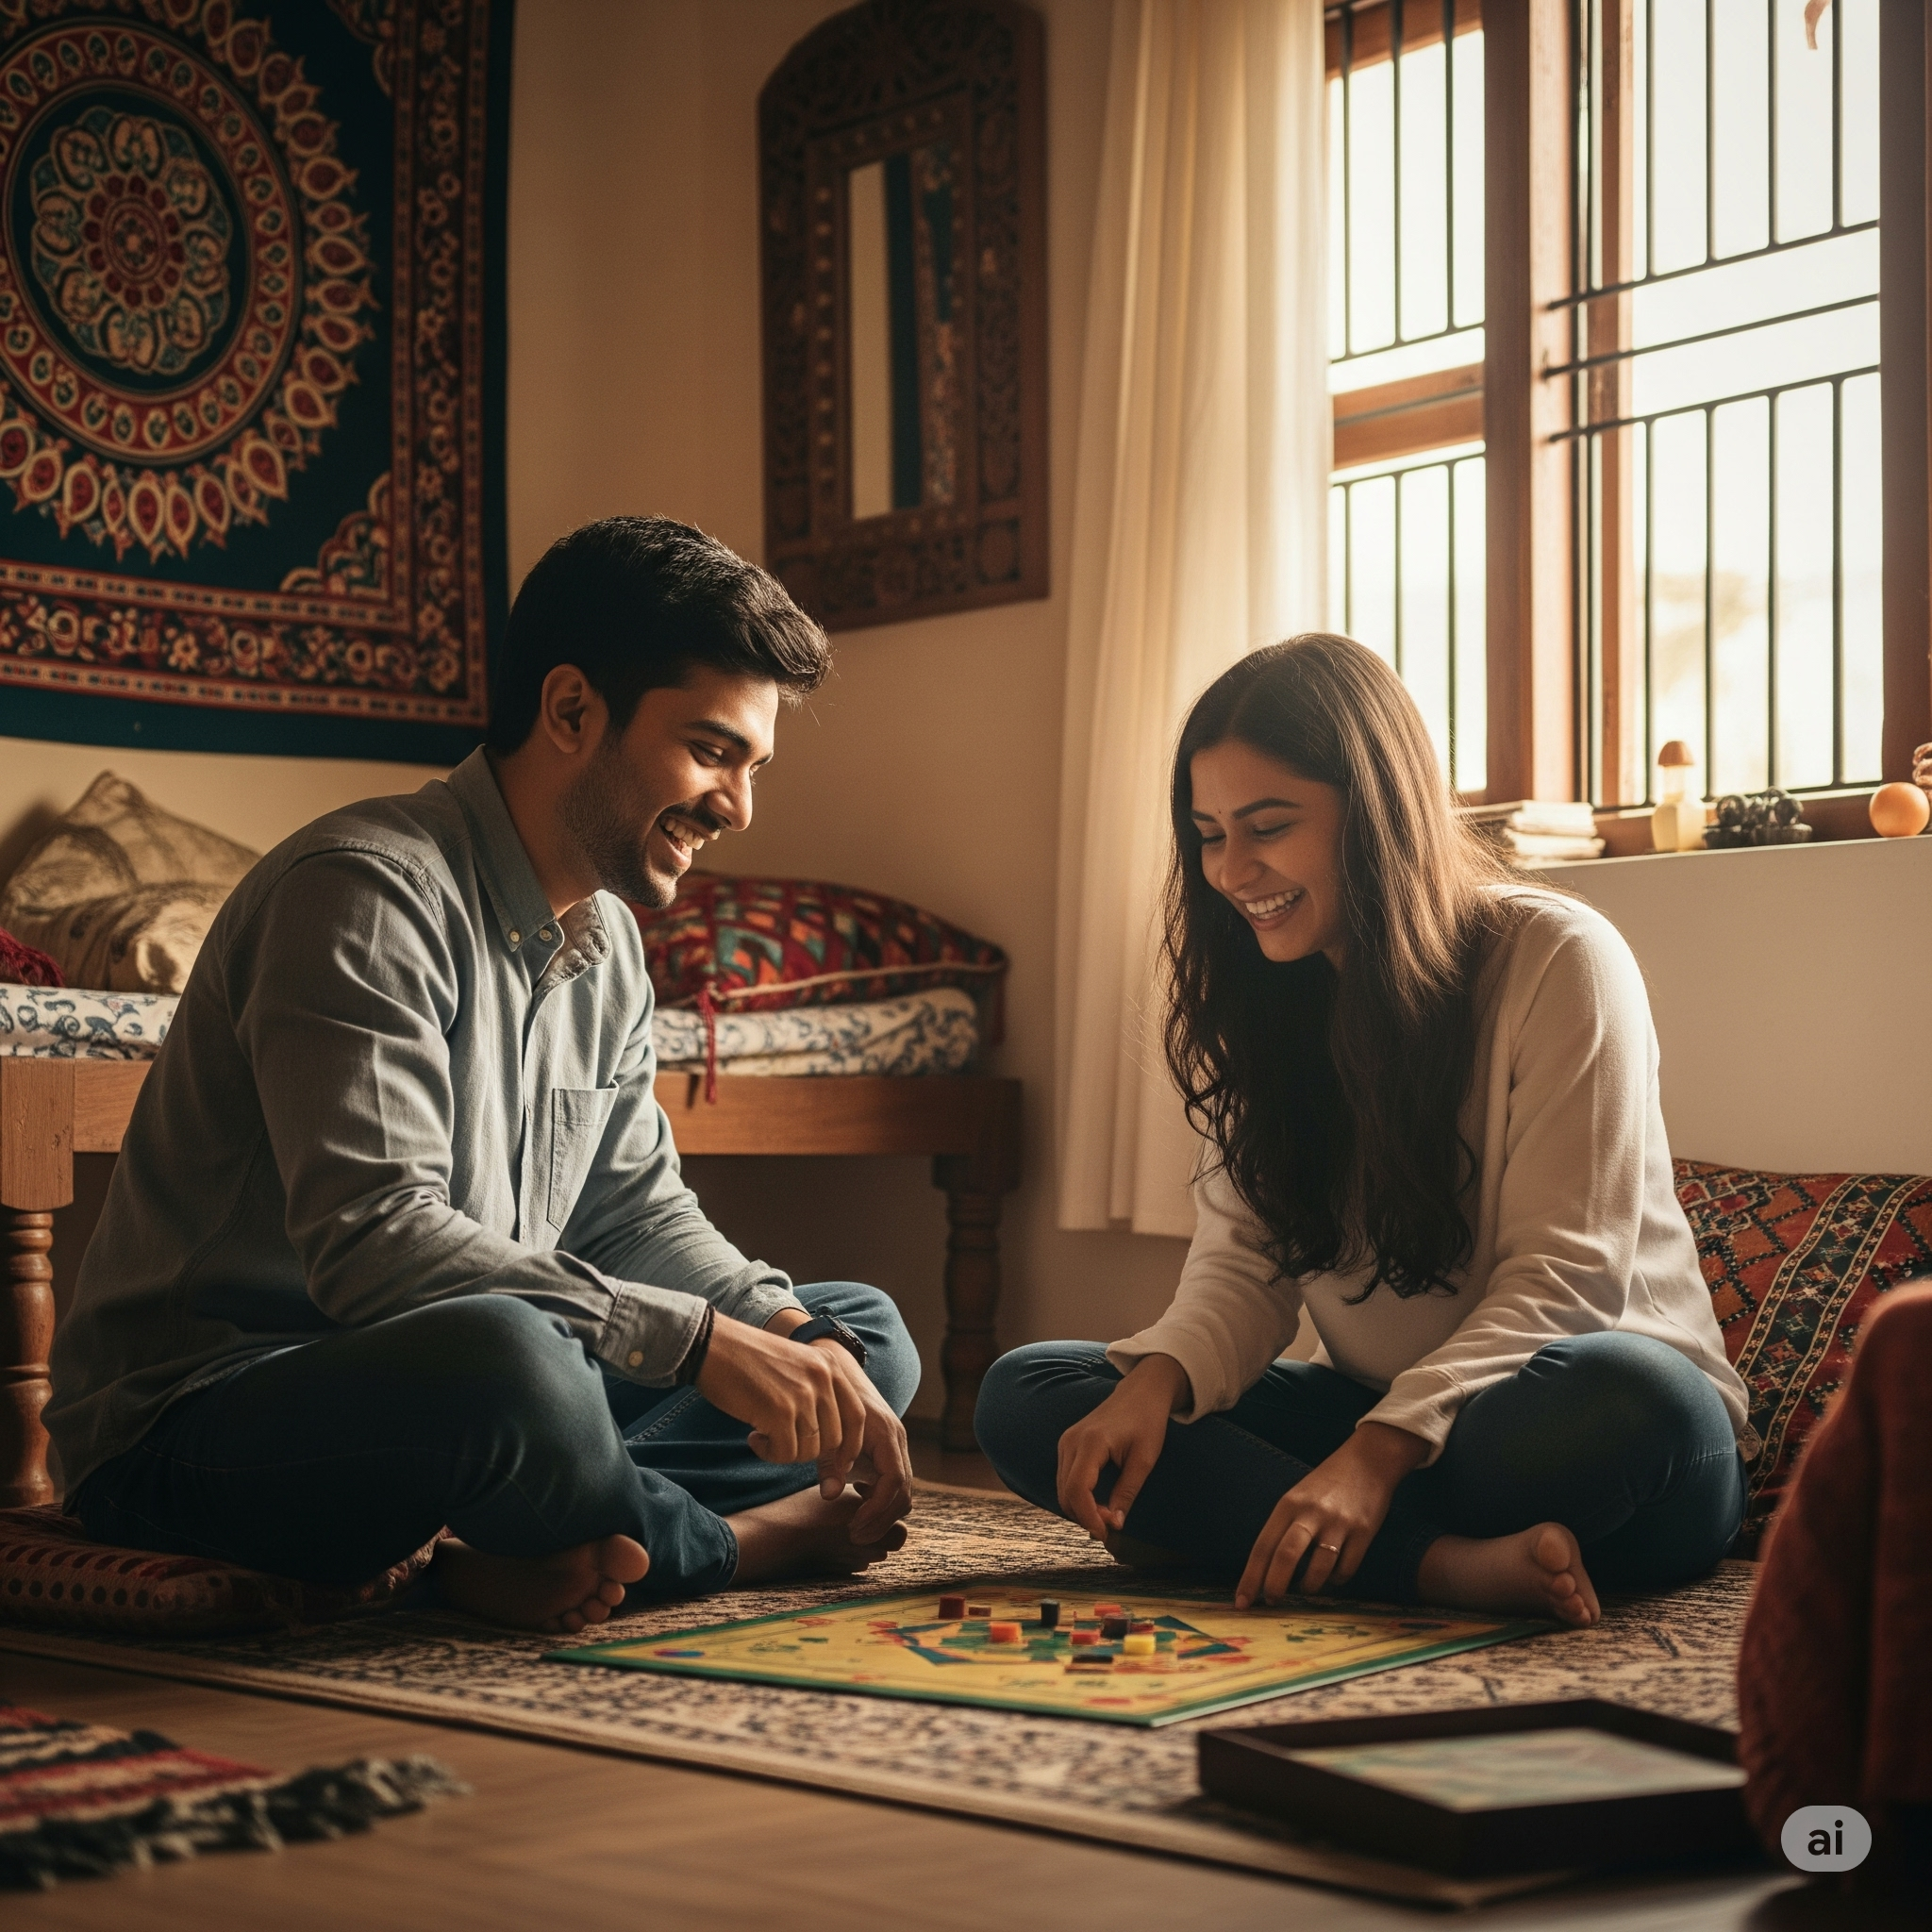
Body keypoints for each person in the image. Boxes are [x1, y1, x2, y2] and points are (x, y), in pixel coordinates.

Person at [47, 516, 919, 1633]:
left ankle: (516, 1536)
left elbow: (634, 1210)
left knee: (857, 1337)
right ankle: (725, 1547)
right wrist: (698, 1343)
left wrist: (780, 1331)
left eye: (751, 767)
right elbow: (377, 1244)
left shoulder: (606, 943)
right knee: (514, 1362)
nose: (735, 806)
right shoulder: (360, 890)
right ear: (569, 710)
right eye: (710, 750)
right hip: (202, 1426)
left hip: (466, 1397)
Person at [976, 635, 1752, 1625]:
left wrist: (1374, 1453)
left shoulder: (1557, 957)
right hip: (1391, 1416)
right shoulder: (1261, 997)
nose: (1231, 869)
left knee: (1617, 1395)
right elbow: (1242, 1267)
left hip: (1595, 1432)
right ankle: (1439, 1568)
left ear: (1374, 812)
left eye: (1266, 825)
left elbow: (1569, 1274)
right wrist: (1161, 1378)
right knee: (1032, 1394)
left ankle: (1265, 1520)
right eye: (1208, 833)